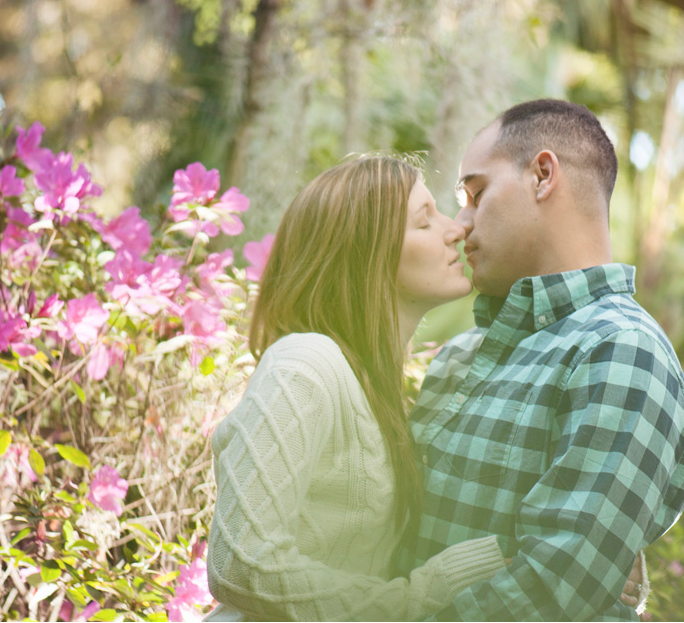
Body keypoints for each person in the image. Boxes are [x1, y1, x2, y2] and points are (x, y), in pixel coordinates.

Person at [399, 100, 684, 621]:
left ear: (542, 175)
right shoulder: (456, 357)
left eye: (475, 193)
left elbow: (548, 591)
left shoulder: (621, 351)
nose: (459, 224)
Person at [204, 156, 506, 621]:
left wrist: (595, 558)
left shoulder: (376, 394)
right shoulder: (304, 366)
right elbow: (240, 563)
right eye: (424, 221)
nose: (456, 230)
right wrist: (415, 598)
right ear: (365, 253)